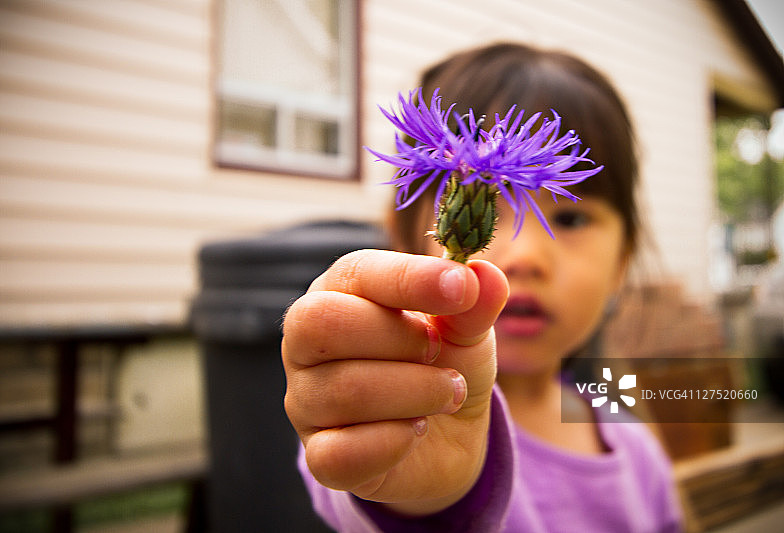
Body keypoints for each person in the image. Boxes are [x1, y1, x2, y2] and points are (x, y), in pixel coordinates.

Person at [281, 43, 683, 532]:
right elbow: (355, 483)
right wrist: (425, 495)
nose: (526, 255)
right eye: (496, 201)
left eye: (571, 216)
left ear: (623, 260)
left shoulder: (636, 447)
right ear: (408, 237)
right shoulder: (395, 414)